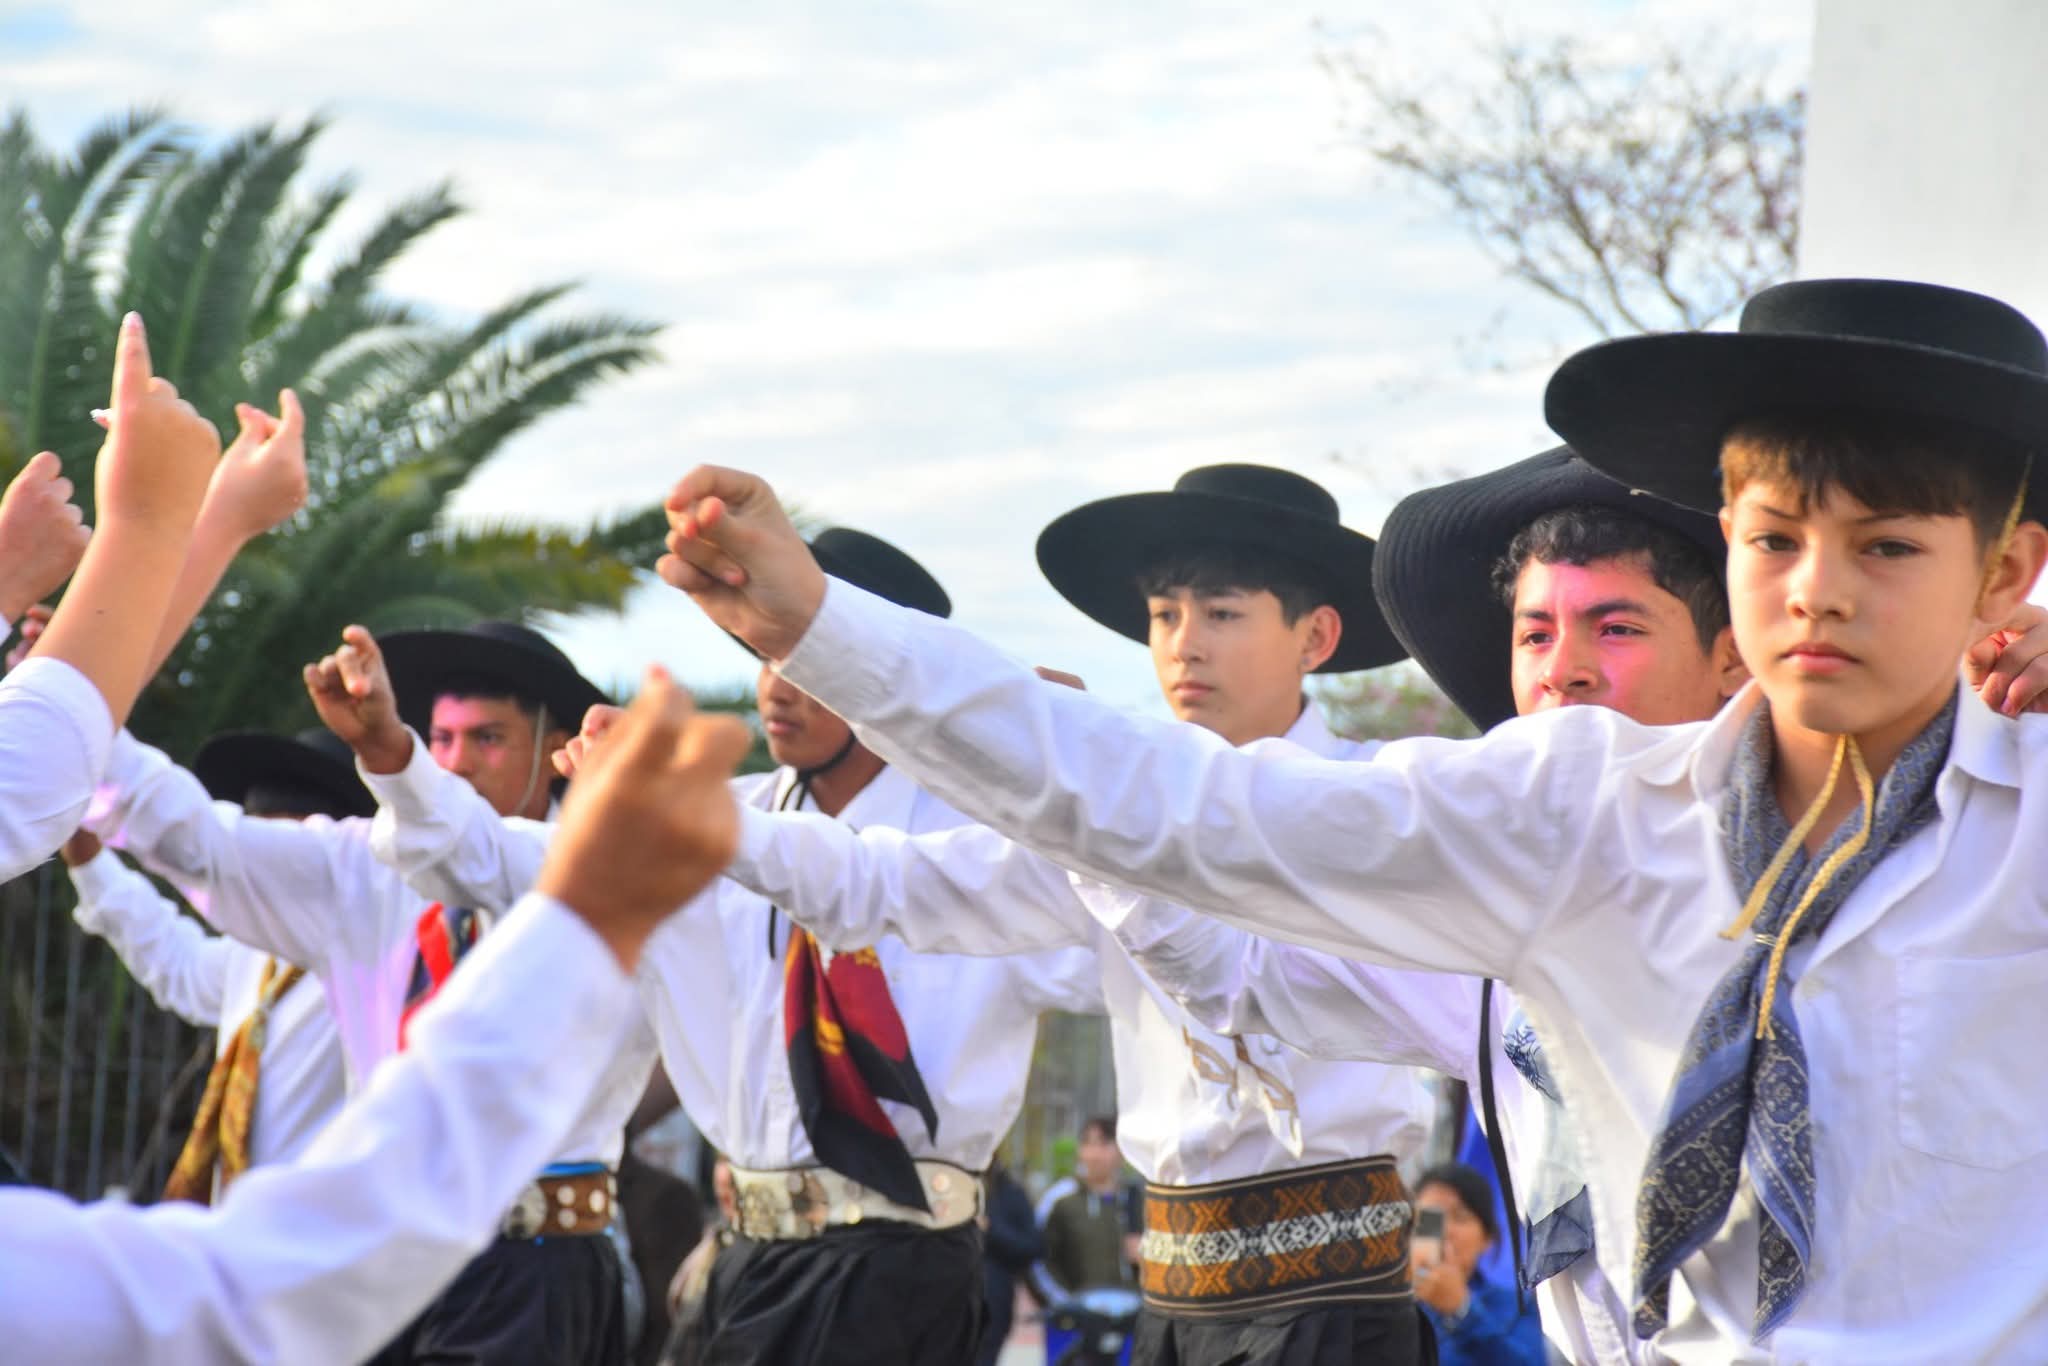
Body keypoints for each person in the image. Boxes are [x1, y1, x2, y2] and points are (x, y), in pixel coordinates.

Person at [657, 277, 2048, 1361]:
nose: (1816, 589)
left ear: (2004, 574)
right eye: (1773, 536)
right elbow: (1170, 812)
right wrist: (821, 625)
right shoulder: (1575, 815)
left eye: (1888, 545)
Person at [689, 467, 1452, 1364]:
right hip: (1170, 1304)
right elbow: (886, 883)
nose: (1184, 645)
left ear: (1315, 635)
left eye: (1223, 614)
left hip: (1334, 1304)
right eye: (1164, 615)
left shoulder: (1380, 801)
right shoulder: (1113, 810)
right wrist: (696, 819)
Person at [365, 527, 1103, 1365]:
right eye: (765, 656)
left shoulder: (980, 842)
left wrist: (1071, 775)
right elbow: (490, 862)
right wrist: (392, 760)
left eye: (811, 663)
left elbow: (1119, 959)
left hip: (898, 1270)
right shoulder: (705, 824)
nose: (776, 688)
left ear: (887, 679)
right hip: (747, 1254)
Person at [0, 669, 749, 1365]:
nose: (457, 762)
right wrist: (73, 696)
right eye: (441, 738)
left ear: (552, 751)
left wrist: (399, 764)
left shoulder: (610, 870)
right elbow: (199, 849)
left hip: (534, 1259)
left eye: (488, 738)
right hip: (353, 1259)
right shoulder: (359, 877)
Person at [61, 726, 372, 1197]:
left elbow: (186, 838)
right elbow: (180, 966)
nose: (262, 872)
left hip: (331, 1216)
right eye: (257, 838)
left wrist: (86, 739)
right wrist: (88, 861)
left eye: (281, 850)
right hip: (242, 1217)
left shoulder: (368, 941)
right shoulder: (257, 952)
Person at [1410, 1164, 1546, 1366]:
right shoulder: (1390, 1306)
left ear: (1487, 1238)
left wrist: (1462, 1312)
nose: (1445, 1230)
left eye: (1460, 1217)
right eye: (1431, 1218)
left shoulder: (1516, 1307)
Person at [1040, 1116, 1137, 1295]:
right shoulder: (1061, 1198)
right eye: (1088, 1144)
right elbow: (1040, 1258)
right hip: (1077, 1306)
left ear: (1122, 1151)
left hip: (1132, 1305)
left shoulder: (1136, 1199)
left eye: (1104, 1144)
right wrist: (1064, 1302)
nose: (1095, 1154)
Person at [977, 1155, 1041, 1366]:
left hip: (993, 1307)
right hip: (946, 1307)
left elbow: (1032, 1247)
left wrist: (990, 1229)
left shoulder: (1010, 1193)